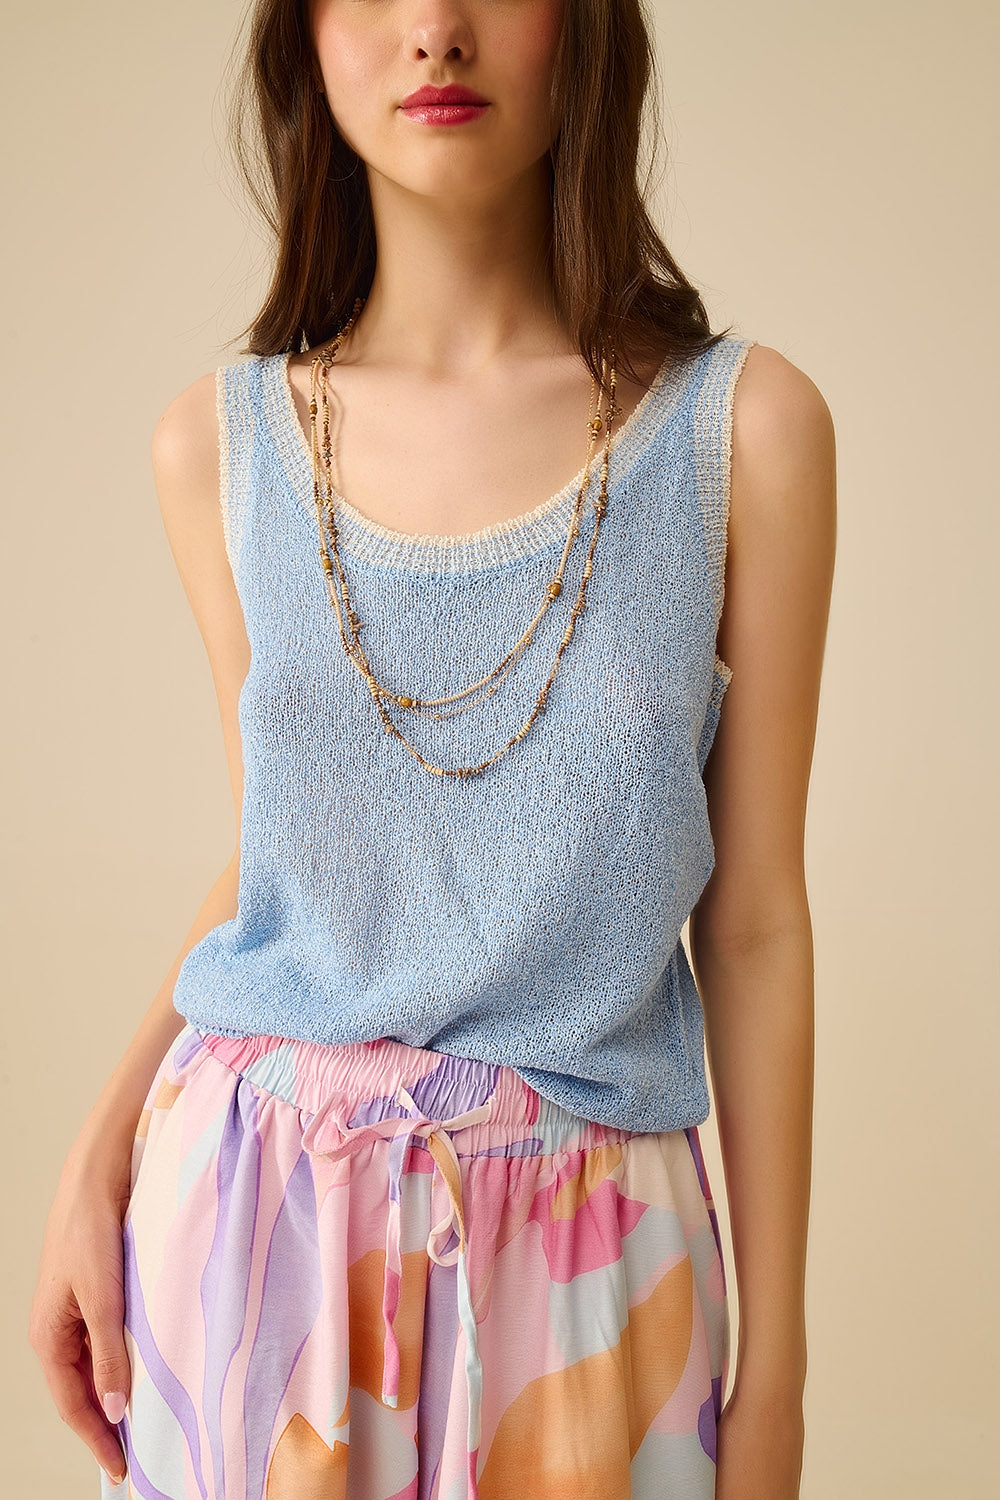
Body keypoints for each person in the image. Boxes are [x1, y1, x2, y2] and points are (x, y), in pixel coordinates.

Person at [29, 2, 835, 1497]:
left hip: (596, 1269)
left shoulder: (743, 432)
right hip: (256, 1242)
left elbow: (757, 924)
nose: (436, 31)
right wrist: (100, 1150)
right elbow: (278, 861)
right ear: (302, 40)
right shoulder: (220, 448)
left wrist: (774, 1385)